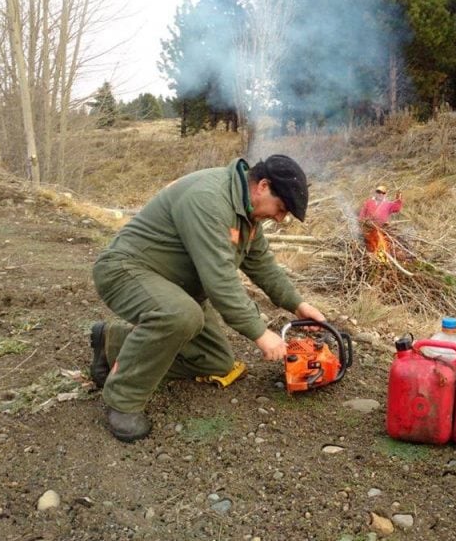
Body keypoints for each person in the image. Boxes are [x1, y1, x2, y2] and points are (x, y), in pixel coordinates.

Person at [90, 154, 325, 442]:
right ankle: (123, 399)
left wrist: (298, 304)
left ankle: (112, 343)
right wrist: (260, 333)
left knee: (215, 361)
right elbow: (220, 282)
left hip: (176, 287)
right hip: (126, 270)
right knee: (181, 316)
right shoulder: (210, 199)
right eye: (281, 208)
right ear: (263, 186)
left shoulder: (246, 214)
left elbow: (262, 265)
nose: (279, 218)